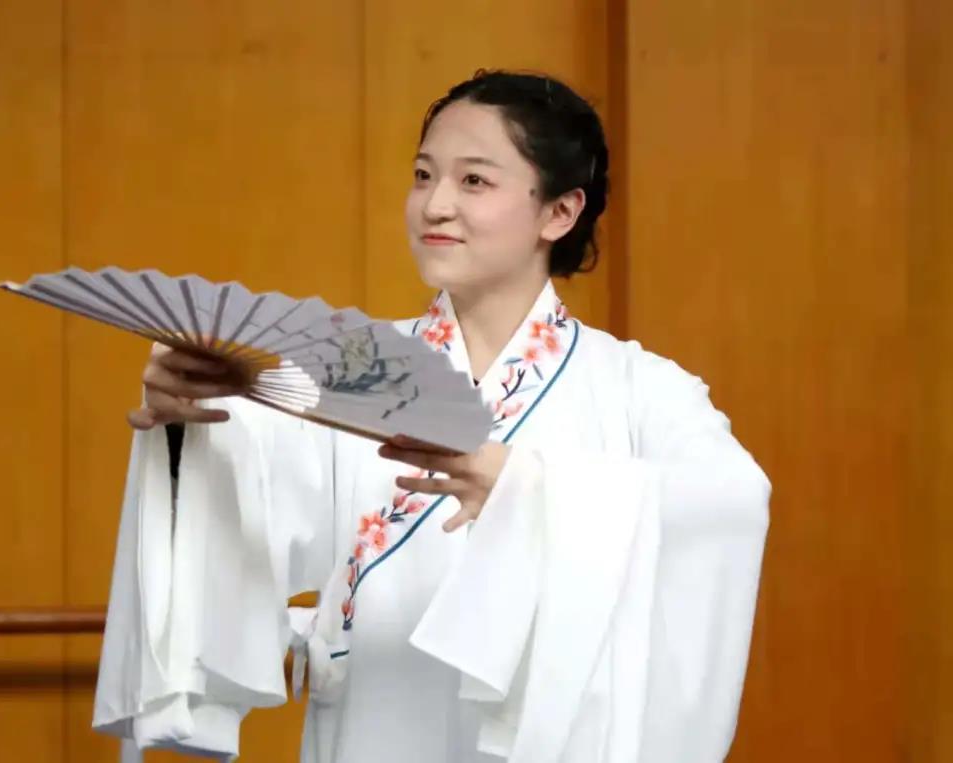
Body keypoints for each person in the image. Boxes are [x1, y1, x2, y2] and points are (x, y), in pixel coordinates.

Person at [93, 70, 771, 763]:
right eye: (423, 176)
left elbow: (732, 500)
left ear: (560, 212)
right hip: (376, 723)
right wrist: (193, 416)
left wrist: (529, 488)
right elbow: (247, 484)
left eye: (474, 181)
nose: (435, 205)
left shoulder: (640, 390)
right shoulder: (349, 370)